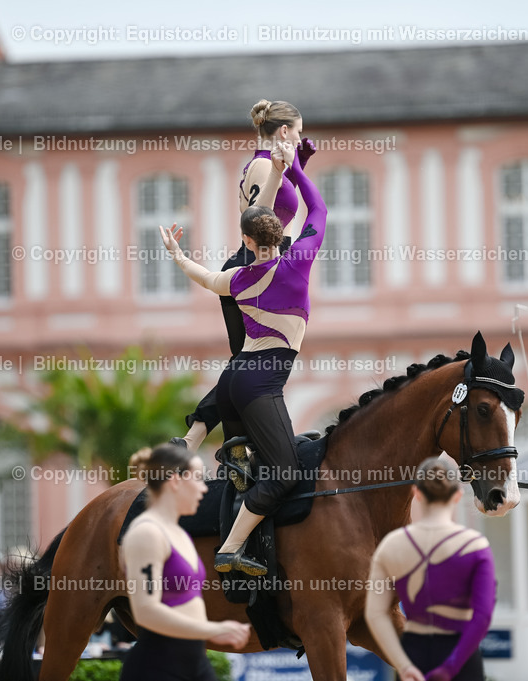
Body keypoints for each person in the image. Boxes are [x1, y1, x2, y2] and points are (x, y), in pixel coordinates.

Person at [160, 132, 327, 576]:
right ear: (281, 237)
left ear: (248, 243)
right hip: (260, 382)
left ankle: (207, 444)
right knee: (287, 471)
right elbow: (320, 211)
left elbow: (204, 276)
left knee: (265, 443)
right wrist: (291, 167)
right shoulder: (299, 261)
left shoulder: (236, 278)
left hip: (234, 381)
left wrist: (177, 254)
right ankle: (232, 547)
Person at [179, 99, 316, 452]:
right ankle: (207, 437)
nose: (300, 138)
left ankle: (231, 444)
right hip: (255, 264)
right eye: (298, 132)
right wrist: (282, 170)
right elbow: (261, 216)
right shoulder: (261, 167)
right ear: (284, 131)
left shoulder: (265, 164)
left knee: (250, 361)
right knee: (249, 360)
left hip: (259, 262)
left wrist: (297, 165)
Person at [119, 444, 250, 681]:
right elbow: (146, 611)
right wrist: (215, 630)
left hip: (194, 662)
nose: (203, 489)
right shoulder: (146, 534)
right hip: (156, 667)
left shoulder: (179, 533)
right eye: (198, 479)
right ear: (175, 482)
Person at [365, 457, 496, 681]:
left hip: (414, 654)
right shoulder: (475, 545)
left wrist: (404, 666)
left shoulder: (391, 545)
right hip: (461, 658)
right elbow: (482, 617)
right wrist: (451, 667)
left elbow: (375, 614)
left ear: (417, 493)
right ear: (458, 495)